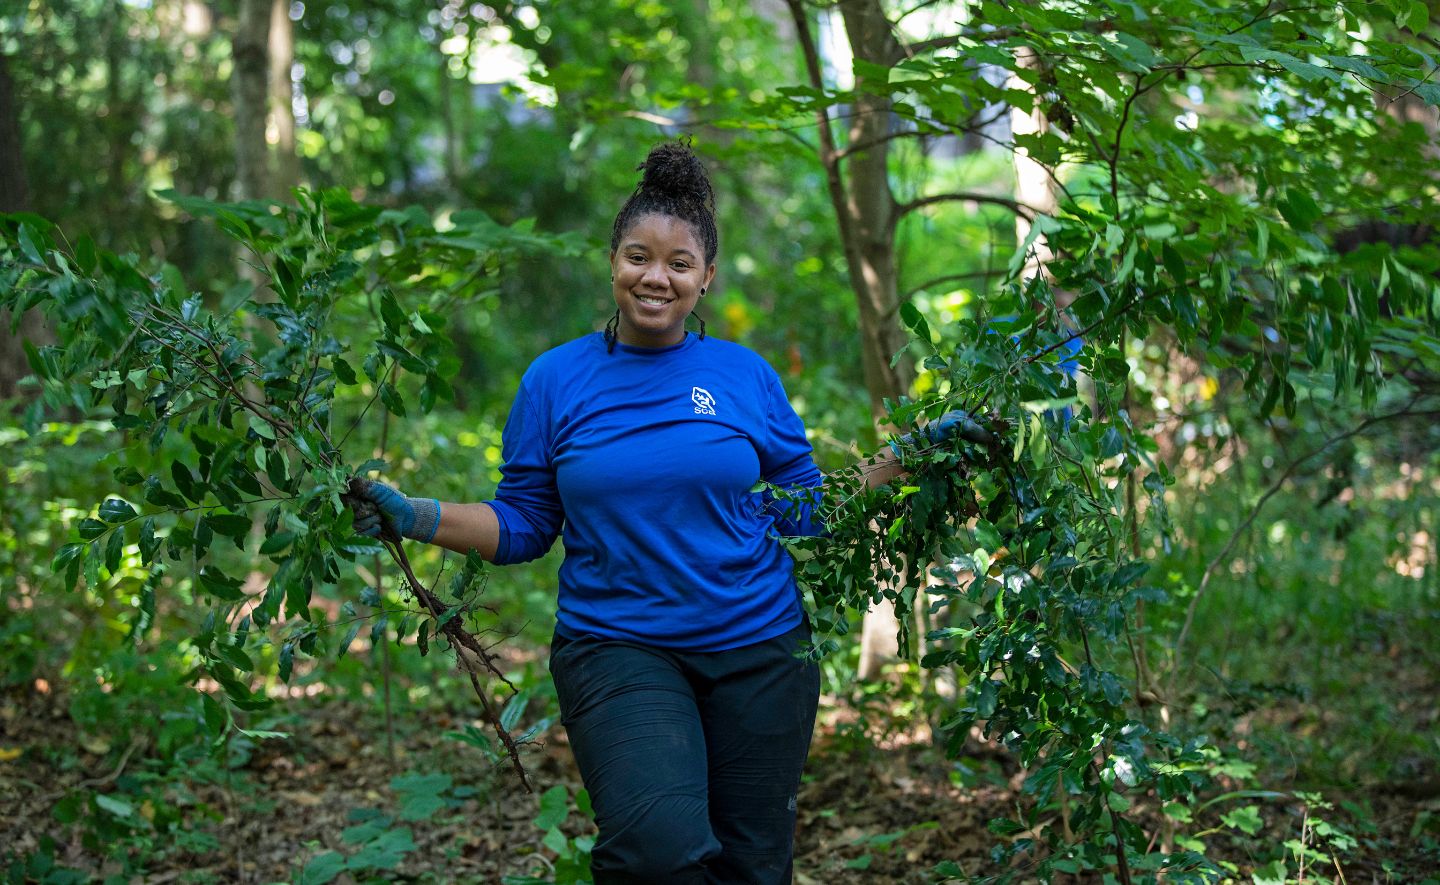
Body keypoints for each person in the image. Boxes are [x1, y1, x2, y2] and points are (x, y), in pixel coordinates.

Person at [347, 140, 915, 884]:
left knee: (753, 863)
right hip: (618, 646)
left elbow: (804, 510)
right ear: (613, 261)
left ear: (706, 278)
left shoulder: (746, 376)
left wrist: (902, 463)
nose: (657, 277)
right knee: (656, 851)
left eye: (680, 264)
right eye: (639, 257)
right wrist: (412, 513)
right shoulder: (555, 380)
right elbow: (523, 523)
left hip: (763, 650)